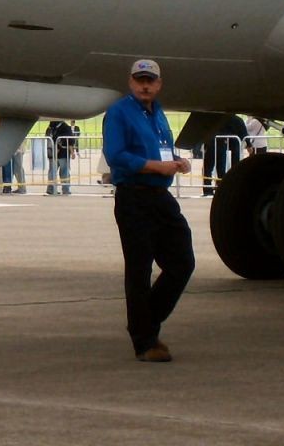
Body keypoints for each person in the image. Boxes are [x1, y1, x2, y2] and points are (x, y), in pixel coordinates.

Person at [102, 59, 194, 363]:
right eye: (140, 80)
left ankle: (146, 322)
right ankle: (144, 341)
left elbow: (158, 149)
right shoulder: (119, 112)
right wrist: (156, 166)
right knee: (140, 267)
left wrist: (177, 161)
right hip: (134, 196)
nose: (145, 85)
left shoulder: (157, 112)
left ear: (159, 84)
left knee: (182, 261)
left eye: (150, 80)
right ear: (130, 82)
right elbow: (116, 155)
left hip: (160, 195)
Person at [202, 114, 245, 196]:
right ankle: (220, 189)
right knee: (219, 168)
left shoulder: (215, 119)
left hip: (214, 144)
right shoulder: (236, 119)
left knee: (209, 168)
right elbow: (243, 133)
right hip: (220, 144)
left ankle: (208, 190)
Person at [45, 120, 77, 195]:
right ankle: (65, 189)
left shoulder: (50, 128)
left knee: (52, 172)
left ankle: (51, 189)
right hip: (63, 153)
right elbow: (70, 141)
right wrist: (72, 152)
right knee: (64, 172)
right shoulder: (66, 128)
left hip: (52, 154)